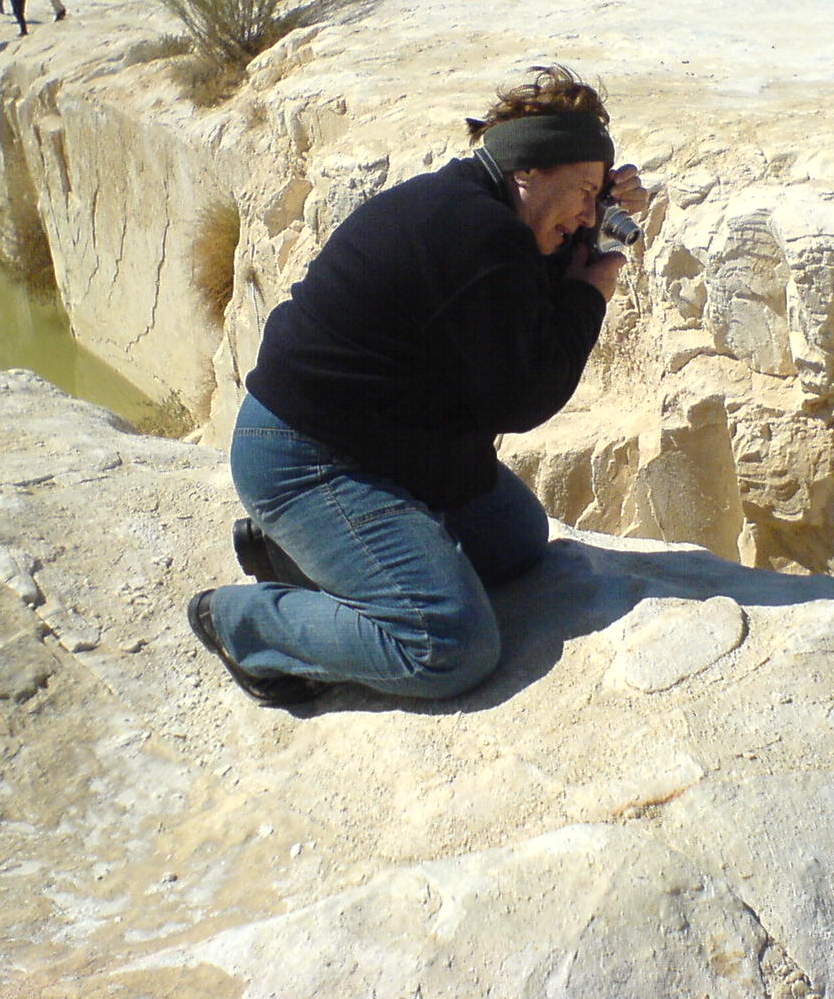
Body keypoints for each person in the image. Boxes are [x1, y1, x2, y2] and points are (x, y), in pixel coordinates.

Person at [186, 65, 649, 707]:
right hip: (305, 458)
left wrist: (582, 236)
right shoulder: (477, 232)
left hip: (381, 445)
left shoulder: (480, 210)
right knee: (446, 644)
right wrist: (589, 293)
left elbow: (519, 303)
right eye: (587, 191)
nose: (590, 212)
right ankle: (240, 622)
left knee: (515, 537)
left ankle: (290, 555)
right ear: (532, 169)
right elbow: (525, 396)